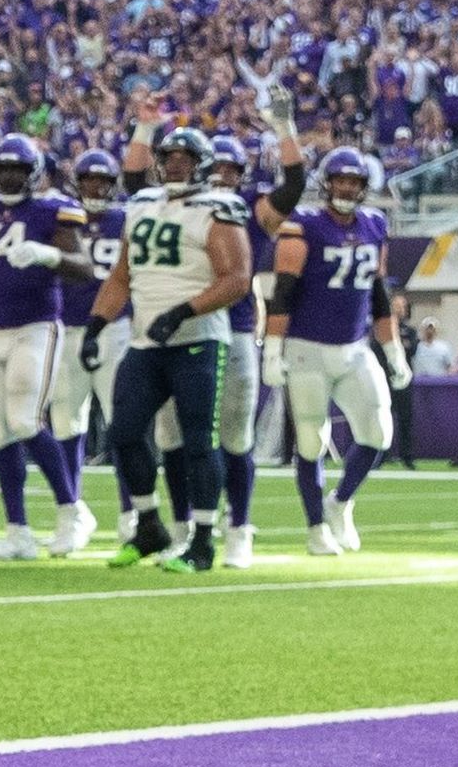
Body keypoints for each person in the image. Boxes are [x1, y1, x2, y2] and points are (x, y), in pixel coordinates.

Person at [129, 93, 306, 569]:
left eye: (233, 169)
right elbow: (133, 183)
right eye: (219, 167)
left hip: (234, 328)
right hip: (173, 334)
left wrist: (285, 129)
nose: (225, 176)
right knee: (171, 436)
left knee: (232, 436)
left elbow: (293, 186)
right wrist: (145, 129)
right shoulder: (176, 202)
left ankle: (237, 527)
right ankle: (184, 526)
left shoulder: (243, 209)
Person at [82, 126, 252, 573]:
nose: (176, 164)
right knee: (123, 432)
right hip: (145, 340)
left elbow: (237, 279)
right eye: (169, 157)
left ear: (203, 163)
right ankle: (149, 525)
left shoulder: (218, 207)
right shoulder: (141, 206)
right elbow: (121, 275)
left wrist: (183, 312)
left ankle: (201, 540)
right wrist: (96, 324)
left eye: (185, 157)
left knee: (199, 441)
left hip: (197, 340)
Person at [261, 147, 407, 555]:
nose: (346, 187)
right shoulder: (303, 224)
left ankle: (340, 502)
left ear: (364, 186)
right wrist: (273, 348)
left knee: (379, 432)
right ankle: (315, 529)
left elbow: (378, 293)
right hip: (306, 347)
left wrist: (393, 350)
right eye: (340, 180)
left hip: (354, 347)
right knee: (311, 441)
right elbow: (283, 292)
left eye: (354, 181)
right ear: (327, 183)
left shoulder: (376, 224)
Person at [0, 134, 95, 560]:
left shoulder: (51, 211)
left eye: (18, 169)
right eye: (3, 169)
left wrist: (47, 255)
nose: (10, 177)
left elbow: (84, 268)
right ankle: (17, 530)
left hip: (35, 328)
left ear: (33, 173)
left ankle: (71, 512)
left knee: (24, 421)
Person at [49, 150, 130, 542]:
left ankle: (132, 512)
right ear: (76, 183)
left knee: (124, 423)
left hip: (116, 329)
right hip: (69, 329)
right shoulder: (63, 218)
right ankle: (72, 513)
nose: (96, 188)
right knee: (66, 421)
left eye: (103, 181)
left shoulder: (125, 219)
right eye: (88, 181)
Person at [390, 290, 419, 469]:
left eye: (402, 306)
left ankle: (407, 456)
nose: (400, 309)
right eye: (396, 306)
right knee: (384, 416)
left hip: (405, 380)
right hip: (386, 379)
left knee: (406, 419)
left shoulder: (411, 330)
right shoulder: (382, 327)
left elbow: (412, 349)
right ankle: (381, 456)